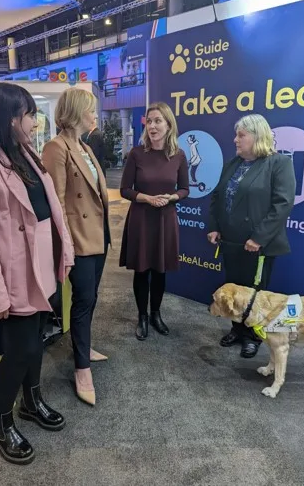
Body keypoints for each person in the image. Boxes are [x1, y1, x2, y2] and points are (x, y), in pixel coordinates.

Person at [0, 82, 74, 465]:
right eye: (28, 115)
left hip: (40, 267)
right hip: (13, 274)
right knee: (20, 348)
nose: (34, 121)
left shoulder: (24, 152)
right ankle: (1, 422)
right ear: (10, 118)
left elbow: (48, 210)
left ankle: (32, 400)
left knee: (37, 339)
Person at [42, 88, 111, 406]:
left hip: (98, 235)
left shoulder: (84, 146)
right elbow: (55, 202)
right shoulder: (56, 148)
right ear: (75, 113)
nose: (95, 115)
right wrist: (65, 246)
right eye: (90, 110)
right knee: (82, 302)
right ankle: (81, 368)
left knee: (90, 299)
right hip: (79, 239)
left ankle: (83, 347)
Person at [207, 114, 295, 358]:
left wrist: (259, 237)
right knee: (235, 291)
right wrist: (214, 227)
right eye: (237, 135)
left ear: (258, 136)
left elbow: (283, 204)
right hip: (231, 242)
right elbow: (216, 198)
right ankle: (237, 328)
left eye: (241, 135)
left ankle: (253, 336)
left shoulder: (278, 163)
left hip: (258, 246)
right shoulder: (233, 164)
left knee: (255, 293)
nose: (236, 140)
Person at [119, 102, 189, 340]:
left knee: (160, 270)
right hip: (141, 218)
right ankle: (142, 316)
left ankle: (156, 314)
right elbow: (125, 190)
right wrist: (146, 198)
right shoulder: (136, 154)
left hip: (165, 219)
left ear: (169, 125)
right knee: (141, 270)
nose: (152, 126)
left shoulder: (178, 156)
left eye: (158, 121)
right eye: (149, 121)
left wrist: (173, 197)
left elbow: (185, 189)